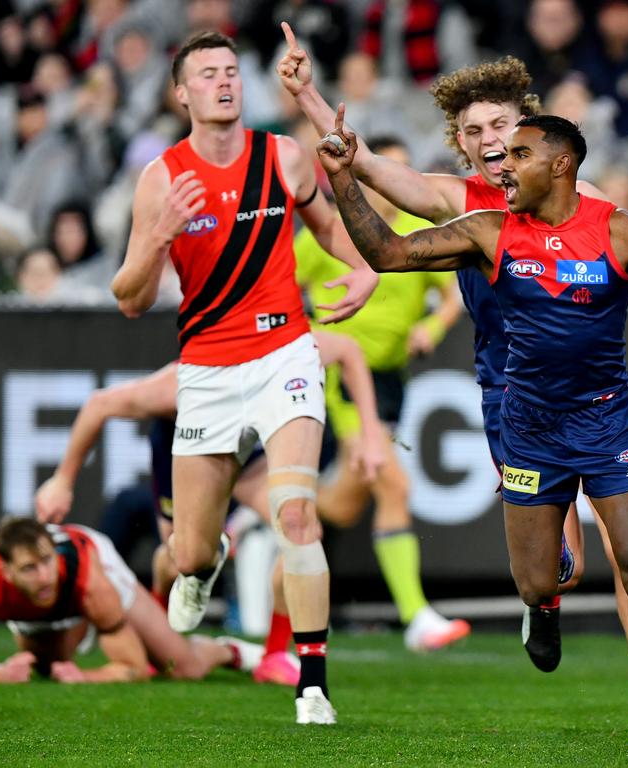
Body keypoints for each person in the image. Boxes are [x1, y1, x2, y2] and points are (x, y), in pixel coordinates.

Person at [277, 32, 628, 708]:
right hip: (509, 389)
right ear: (462, 141)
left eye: (502, 124)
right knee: (559, 568)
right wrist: (306, 96)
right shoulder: (464, 206)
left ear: (531, 131)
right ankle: (545, 602)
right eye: (473, 130)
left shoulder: (579, 195)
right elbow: (370, 177)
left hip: (595, 394)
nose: (488, 138)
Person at [110, 29, 379, 726]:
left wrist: (365, 268)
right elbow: (131, 298)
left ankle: (312, 681)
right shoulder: (163, 178)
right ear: (182, 94)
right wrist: (159, 233)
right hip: (205, 369)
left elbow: (327, 228)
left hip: (284, 355)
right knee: (190, 551)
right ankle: (206, 560)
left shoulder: (283, 156)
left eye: (231, 71)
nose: (224, 82)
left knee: (297, 512)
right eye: (207, 74)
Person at [33, 329, 387, 684]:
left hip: (250, 457)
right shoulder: (177, 384)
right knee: (179, 560)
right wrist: (62, 480)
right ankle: (158, 643)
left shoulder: (288, 347)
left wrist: (371, 435)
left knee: (299, 533)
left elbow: (348, 350)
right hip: (193, 454)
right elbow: (100, 404)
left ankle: (274, 654)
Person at [295, 134, 470, 652]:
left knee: (346, 503)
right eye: (378, 172)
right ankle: (416, 617)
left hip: (392, 379)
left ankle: (267, 522)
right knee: (392, 483)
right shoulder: (331, 235)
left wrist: (431, 329)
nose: (389, 184)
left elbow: (452, 297)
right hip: (342, 377)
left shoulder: (419, 233)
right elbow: (279, 283)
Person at [0, 516, 263, 684]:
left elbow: (133, 668)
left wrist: (86, 677)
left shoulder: (89, 579)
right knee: (45, 669)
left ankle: (229, 651)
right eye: (29, 568)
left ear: (54, 550)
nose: (45, 576)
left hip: (94, 571)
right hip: (50, 605)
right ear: (4, 570)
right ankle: (81, 629)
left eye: (47, 560)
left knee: (180, 667)